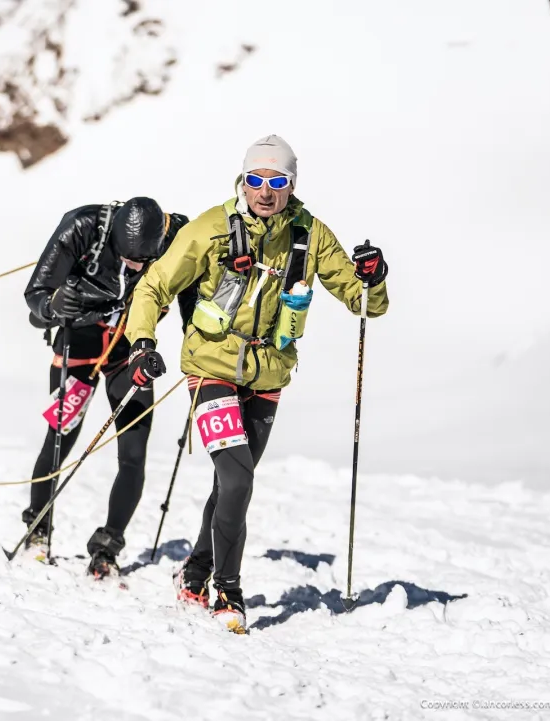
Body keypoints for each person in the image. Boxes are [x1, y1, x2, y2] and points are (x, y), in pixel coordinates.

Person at [124, 135, 390, 633]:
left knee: (230, 483)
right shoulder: (210, 230)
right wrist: (142, 341)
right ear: (242, 180)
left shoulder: (310, 236)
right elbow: (154, 286)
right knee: (240, 478)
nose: (265, 191)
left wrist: (373, 279)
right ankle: (228, 589)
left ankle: (196, 572)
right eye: (256, 180)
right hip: (211, 368)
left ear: (291, 185)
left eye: (277, 182)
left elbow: (364, 304)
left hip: (268, 376)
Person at [23, 197, 192, 577]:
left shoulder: (179, 233)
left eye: (143, 260)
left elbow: (192, 293)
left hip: (130, 347)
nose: (135, 266)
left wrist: (195, 338)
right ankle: (37, 528)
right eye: (129, 258)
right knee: (60, 436)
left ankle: (107, 547)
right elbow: (35, 295)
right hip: (79, 339)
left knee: (133, 453)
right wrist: (54, 306)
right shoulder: (81, 226)